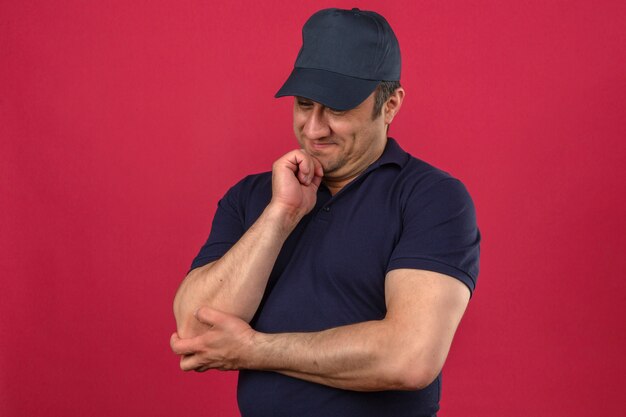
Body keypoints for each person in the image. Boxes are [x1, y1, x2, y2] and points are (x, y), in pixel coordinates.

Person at [170, 7, 480, 417]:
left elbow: (410, 357)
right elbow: (195, 331)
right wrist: (280, 215)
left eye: (336, 108)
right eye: (303, 104)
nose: (314, 129)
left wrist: (254, 350)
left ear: (390, 105)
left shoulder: (431, 197)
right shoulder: (251, 197)